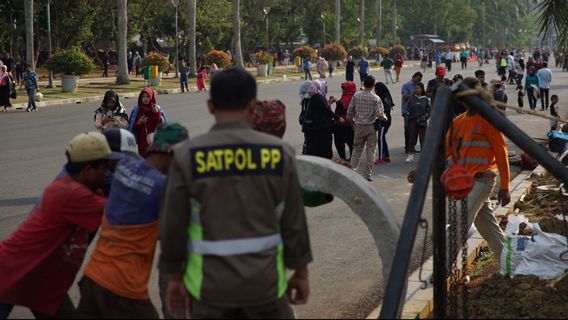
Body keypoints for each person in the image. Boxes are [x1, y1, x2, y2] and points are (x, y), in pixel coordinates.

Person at [159, 68, 312, 319]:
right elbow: (293, 222)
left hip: (209, 291)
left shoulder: (186, 156)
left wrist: (175, 277)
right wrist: (301, 273)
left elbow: (173, 227)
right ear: (252, 107)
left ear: (210, 106)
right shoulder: (280, 154)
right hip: (266, 288)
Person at [0, 132, 121, 318]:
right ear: (88, 169)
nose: (107, 173)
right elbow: (123, 210)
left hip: (41, 279)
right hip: (11, 271)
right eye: (105, 168)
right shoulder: (72, 194)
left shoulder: (80, 186)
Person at [76, 124, 189, 319]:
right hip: (124, 288)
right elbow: (171, 236)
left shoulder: (125, 168)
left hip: (93, 278)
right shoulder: (163, 187)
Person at [445, 76, 510, 260]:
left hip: (483, 179)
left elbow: (501, 152)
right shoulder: (459, 121)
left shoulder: (488, 120)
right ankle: (509, 263)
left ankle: (444, 267)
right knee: (488, 228)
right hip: (467, 181)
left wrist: (505, 186)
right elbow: (445, 149)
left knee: (460, 220)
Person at [347, 75, 387, 181]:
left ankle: (351, 172)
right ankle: (367, 174)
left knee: (356, 150)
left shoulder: (356, 95)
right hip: (371, 127)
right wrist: (385, 118)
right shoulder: (375, 98)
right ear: (373, 85)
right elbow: (380, 115)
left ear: (363, 83)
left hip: (359, 126)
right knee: (371, 151)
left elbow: (350, 111)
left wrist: (352, 122)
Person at [300, 80, 340, 159]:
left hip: (309, 129)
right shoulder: (318, 97)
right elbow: (325, 110)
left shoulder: (305, 98)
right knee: (324, 153)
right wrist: (338, 118)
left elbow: (319, 109)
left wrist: (328, 103)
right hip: (321, 129)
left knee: (312, 152)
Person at [128, 88, 167, 157]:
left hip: (154, 140)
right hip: (142, 141)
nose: (145, 99)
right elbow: (132, 127)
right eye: (143, 97)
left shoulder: (156, 109)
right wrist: (139, 123)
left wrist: (156, 113)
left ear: (151, 97)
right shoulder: (137, 110)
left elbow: (160, 124)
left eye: (147, 96)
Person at [330, 81, 356, 160]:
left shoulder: (347, 97)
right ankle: (351, 158)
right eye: (342, 88)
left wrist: (337, 101)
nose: (343, 89)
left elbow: (344, 107)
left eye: (344, 88)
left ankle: (343, 159)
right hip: (350, 123)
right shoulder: (353, 96)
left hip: (342, 124)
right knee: (351, 142)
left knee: (339, 143)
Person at [406, 83, 430, 163]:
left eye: (418, 88)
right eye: (415, 88)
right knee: (412, 138)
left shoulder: (426, 99)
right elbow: (407, 110)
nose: (416, 90)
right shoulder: (411, 99)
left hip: (422, 122)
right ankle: (410, 155)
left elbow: (429, 111)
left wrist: (424, 118)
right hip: (413, 121)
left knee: (423, 140)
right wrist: (407, 118)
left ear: (422, 89)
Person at [401, 72, 423, 154]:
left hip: (417, 111)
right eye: (417, 80)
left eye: (420, 80)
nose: (418, 82)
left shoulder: (420, 85)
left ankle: (412, 147)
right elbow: (404, 97)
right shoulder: (406, 86)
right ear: (413, 77)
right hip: (407, 111)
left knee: (415, 130)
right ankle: (407, 147)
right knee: (407, 129)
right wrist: (414, 93)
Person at [374, 82, 394, 164]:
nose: (375, 90)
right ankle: (386, 156)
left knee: (380, 138)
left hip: (384, 121)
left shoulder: (382, 99)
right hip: (386, 119)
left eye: (376, 89)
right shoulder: (386, 97)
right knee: (382, 137)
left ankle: (381, 157)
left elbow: (381, 112)